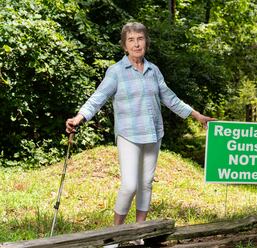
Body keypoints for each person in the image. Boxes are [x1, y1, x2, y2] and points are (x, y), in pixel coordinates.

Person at [65, 22, 214, 228]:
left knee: (145, 183)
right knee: (129, 185)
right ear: (124, 46)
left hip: (153, 133)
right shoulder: (116, 71)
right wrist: (79, 117)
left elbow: (170, 98)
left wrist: (198, 116)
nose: (136, 44)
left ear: (146, 43)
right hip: (128, 134)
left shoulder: (153, 70)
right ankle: (116, 232)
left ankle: (139, 232)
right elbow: (98, 98)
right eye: (131, 40)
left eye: (140, 39)